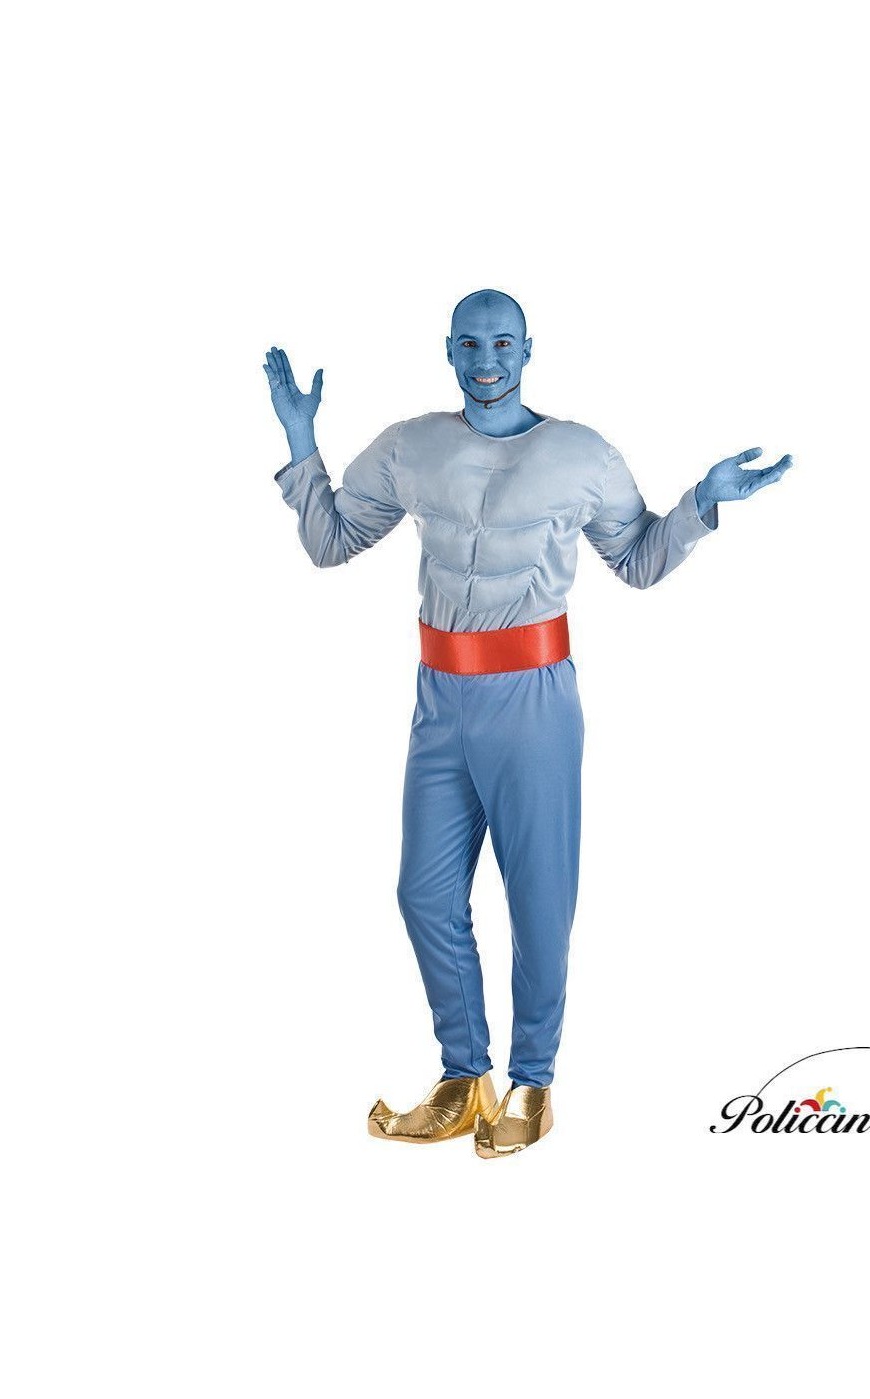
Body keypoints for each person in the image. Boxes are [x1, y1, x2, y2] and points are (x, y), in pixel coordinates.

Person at [264, 289, 791, 1157]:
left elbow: (639, 559)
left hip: (532, 699)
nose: (487, 360)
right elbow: (330, 543)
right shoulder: (409, 446)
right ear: (447, 349)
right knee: (424, 893)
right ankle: (463, 1078)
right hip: (440, 695)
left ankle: (533, 1085)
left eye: (503, 343)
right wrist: (299, 438)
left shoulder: (580, 454)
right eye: (471, 344)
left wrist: (703, 500)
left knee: (538, 899)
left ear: (528, 349)